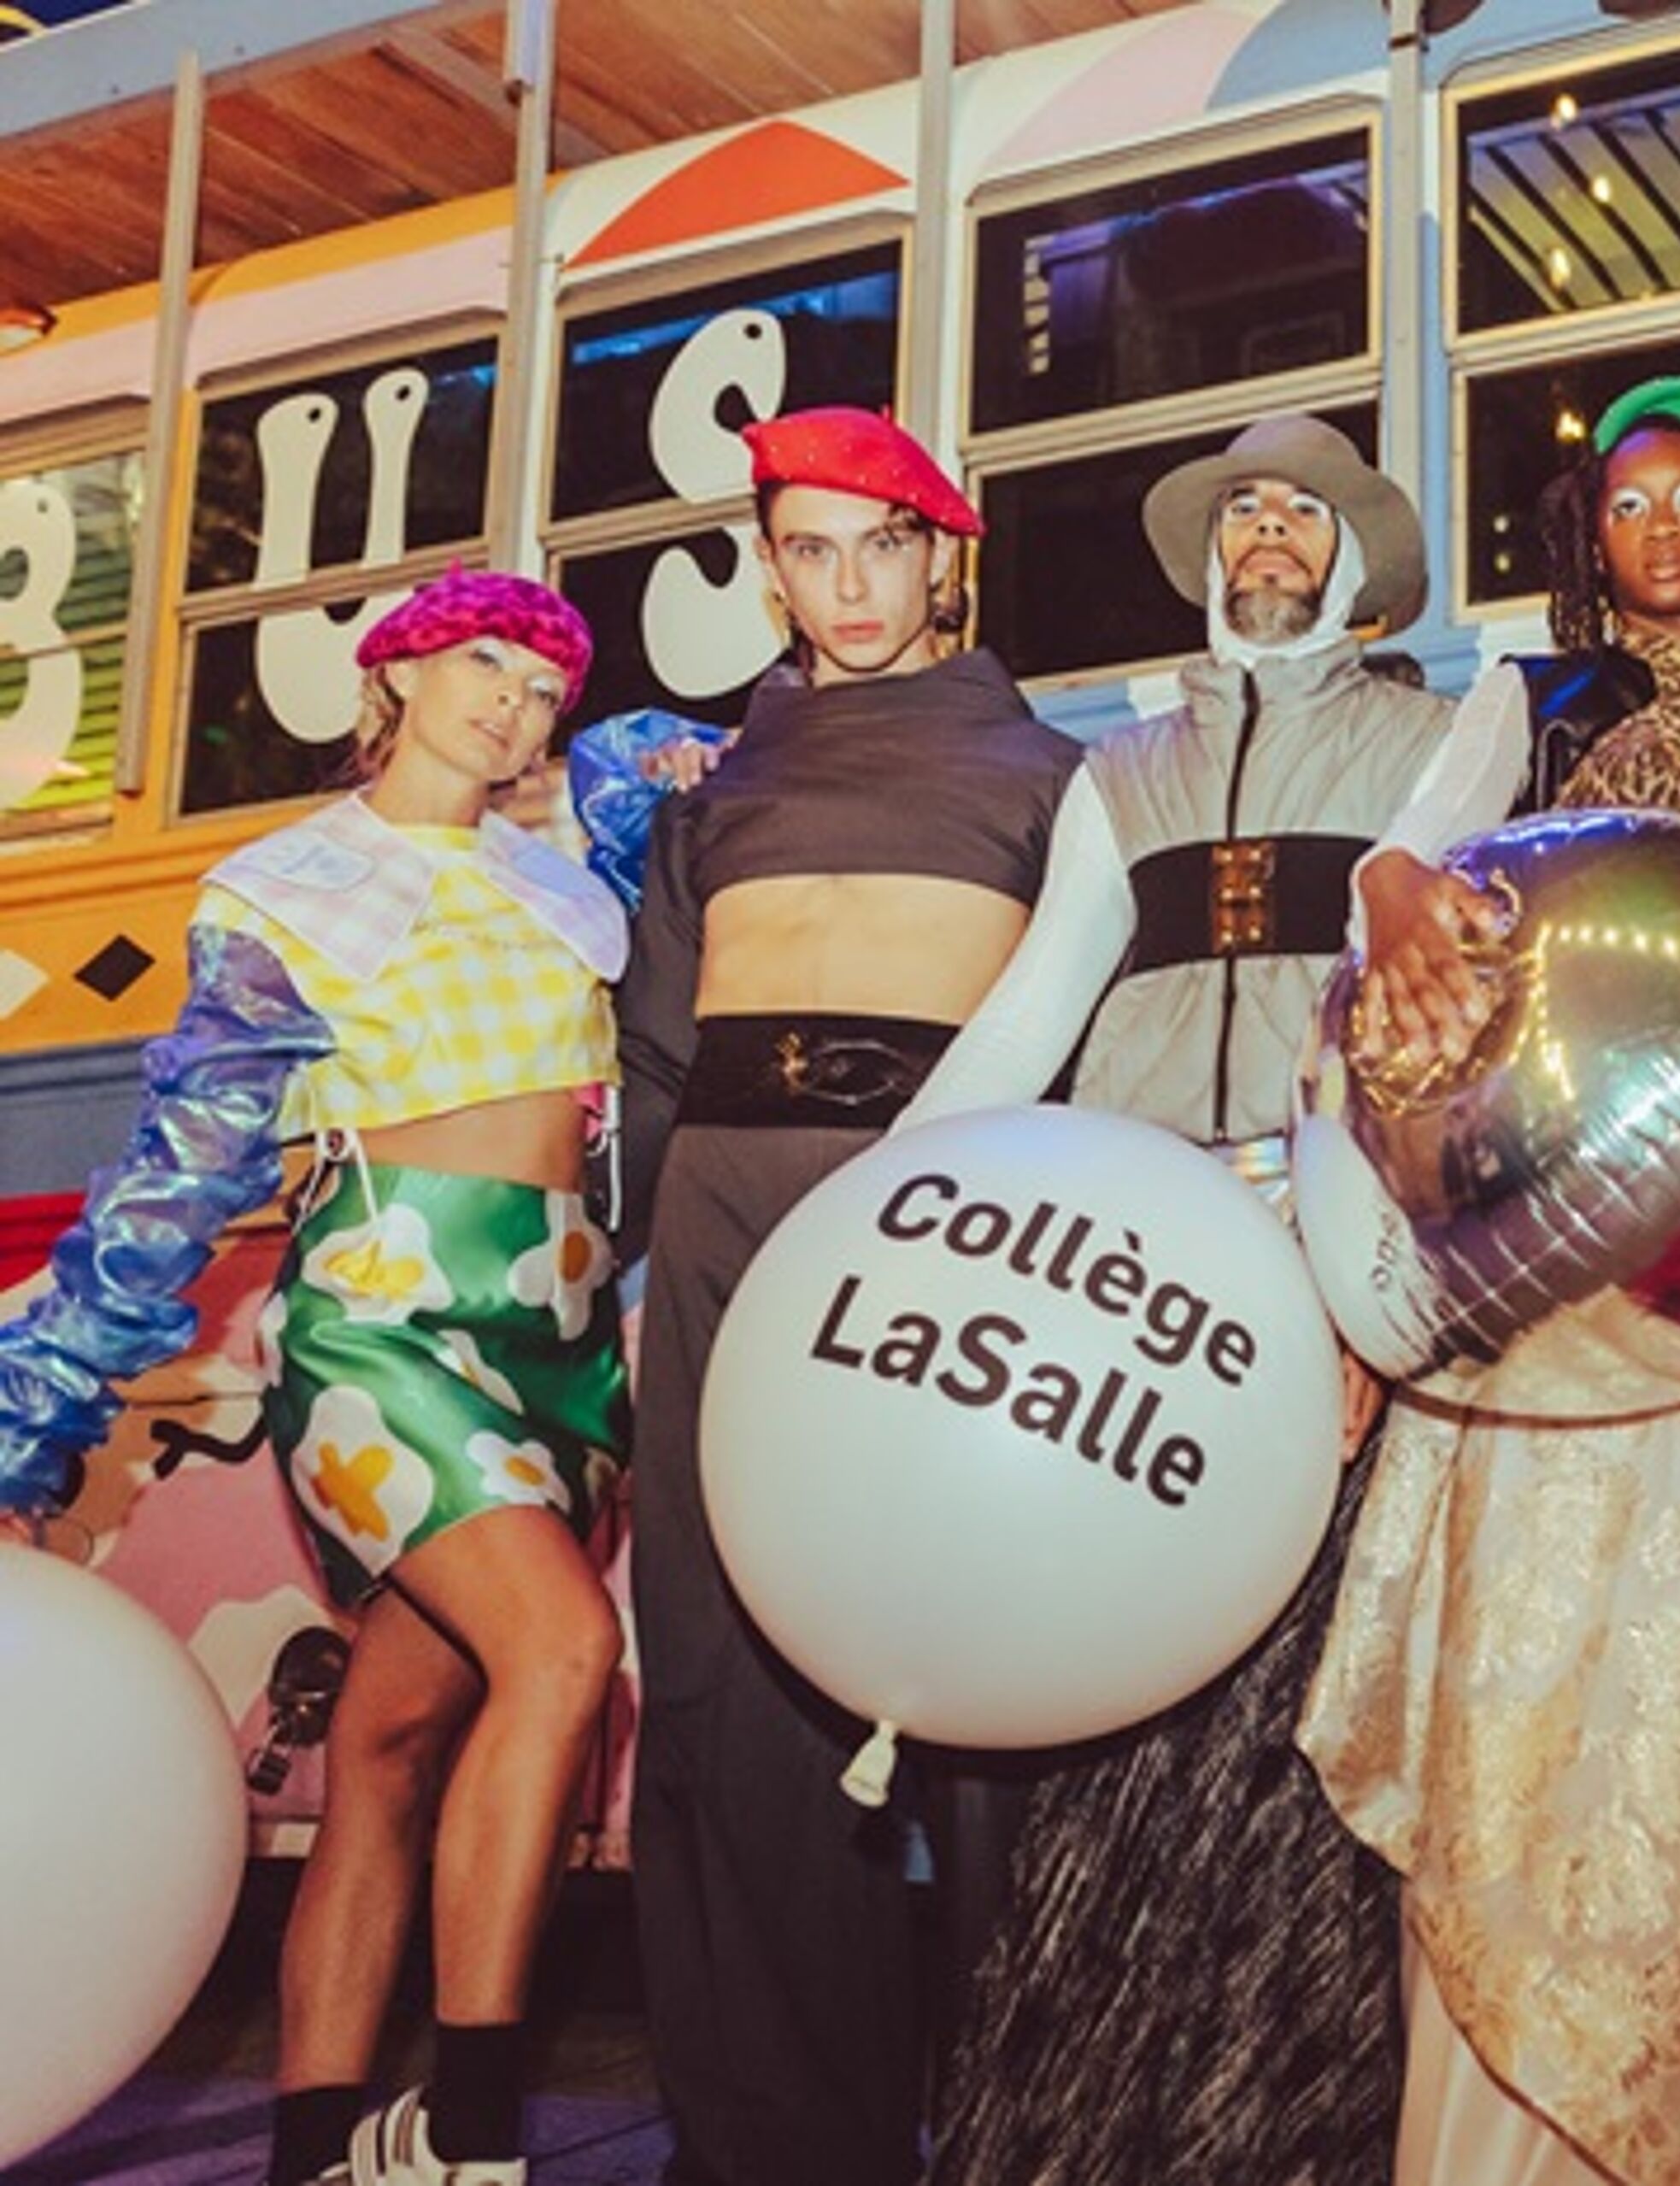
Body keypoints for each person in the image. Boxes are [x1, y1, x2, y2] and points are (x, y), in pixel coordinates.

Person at [1295, 377, 1680, 2185]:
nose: (1656, 525)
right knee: (1541, 1705)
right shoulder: (1528, 698)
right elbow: (1402, 867)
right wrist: (1402, 889)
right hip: (1542, 1310)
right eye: (1626, 498)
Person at [0, 572, 626, 2186]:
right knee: (563, 1647)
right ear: (396, 676)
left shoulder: (563, 876)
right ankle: (471, 2130)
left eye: (542, 683)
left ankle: (309, 2148)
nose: (511, 699)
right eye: (478, 661)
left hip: (558, 1339)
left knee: (390, 1748)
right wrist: (33, 1417)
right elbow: (176, 1172)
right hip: (382, 1318)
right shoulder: (287, 890)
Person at [892, 413, 1460, 2186]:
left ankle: (1298, 2122)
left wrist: (1372, 1288)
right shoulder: (1114, 772)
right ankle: (1098, 2122)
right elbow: (1026, 1015)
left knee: (1304, 1710)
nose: (1269, 532)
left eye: (1304, 507)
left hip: (1322, 1238)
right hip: (1129, 1257)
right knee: (1127, 1696)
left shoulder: (1450, 739)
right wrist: (880, 1207)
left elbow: (1428, 1034)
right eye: (1244, 512)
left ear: (1356, 556)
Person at [584, 406, 1082, 2186]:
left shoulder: (1048, 772)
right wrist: (612, 1290)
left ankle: (1033, 2122)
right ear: (773, 566)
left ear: (946, 554)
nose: (849, 582)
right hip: (724, 1224)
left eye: (883, 543)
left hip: (940, 1237)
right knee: (722, 1684)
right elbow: (649, 1064)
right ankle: (778, 2143)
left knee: (988, 1679)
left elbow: (1090, 1050)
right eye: (810, 547)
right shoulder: (713, 792)